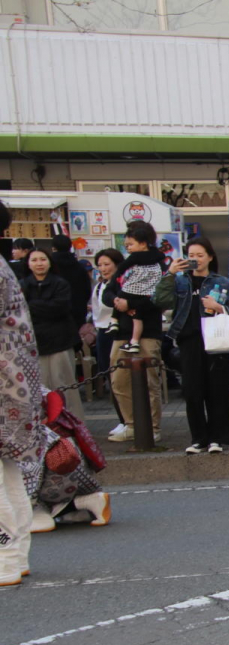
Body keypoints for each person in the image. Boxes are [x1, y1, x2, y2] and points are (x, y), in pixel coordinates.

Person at [156, 237, 229, 454]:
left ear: (210, 257)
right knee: (192, 390)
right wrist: (169, 273)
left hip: (216, 339)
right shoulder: (180, 281)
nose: (196, 259)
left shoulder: (220, 282)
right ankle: (199, 439)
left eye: (200, 255)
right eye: (191, 255)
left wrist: (218, 307)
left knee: (217, 389)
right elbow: (160, 300)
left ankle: (218, 438)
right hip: (189, 340)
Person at [0, 201, 43, 587]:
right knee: (9, 472)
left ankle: (6, 559)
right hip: (16, 382)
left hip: (4, 383)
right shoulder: (5, 267)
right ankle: (15, 555)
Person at [103, 220, 165, 443]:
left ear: (144, 242)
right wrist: (117, 301)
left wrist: (132, 304)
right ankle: (131, 424)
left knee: (148, 382)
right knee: (119, 380)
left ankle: (152, 427)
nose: (127, 248)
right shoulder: (126, 266)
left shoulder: (160, 266)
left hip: (148, 331)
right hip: (122, 331)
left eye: (131, 244)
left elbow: (160, 298)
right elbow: (108, 291)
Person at [27, 388, 111, 533]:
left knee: (15, 478)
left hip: (50, 478)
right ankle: (87, 501)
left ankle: (36, 514)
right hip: (76, 471)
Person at [21, 247, 84, 420]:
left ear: (50, 262)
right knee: (40, 387)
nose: (39, 264)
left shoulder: (60, 283)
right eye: (34, 260)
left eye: (43, 259)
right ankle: (45, 425)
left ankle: (73, 424)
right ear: (28, 264)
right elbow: (20, 312)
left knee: (64, 384)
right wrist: (42, 307)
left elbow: (60, 308)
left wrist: (32, 305)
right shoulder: (22, 285)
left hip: (61, 340)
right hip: (34, 342)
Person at [90, 249, 126, 437]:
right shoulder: (99, 286)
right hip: (102, 332)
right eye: (100, 265)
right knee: (109, 376)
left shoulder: (122, 284)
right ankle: (122, 419)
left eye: (107, 264)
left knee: (122, 377)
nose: (103, 268)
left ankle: (128, 419)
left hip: (117, 331)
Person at [50, 234, 92, 335]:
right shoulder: (79, 267)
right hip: (77, 311)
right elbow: (87, 290)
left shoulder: (50, 266)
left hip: (54, 313)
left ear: (53, 248)